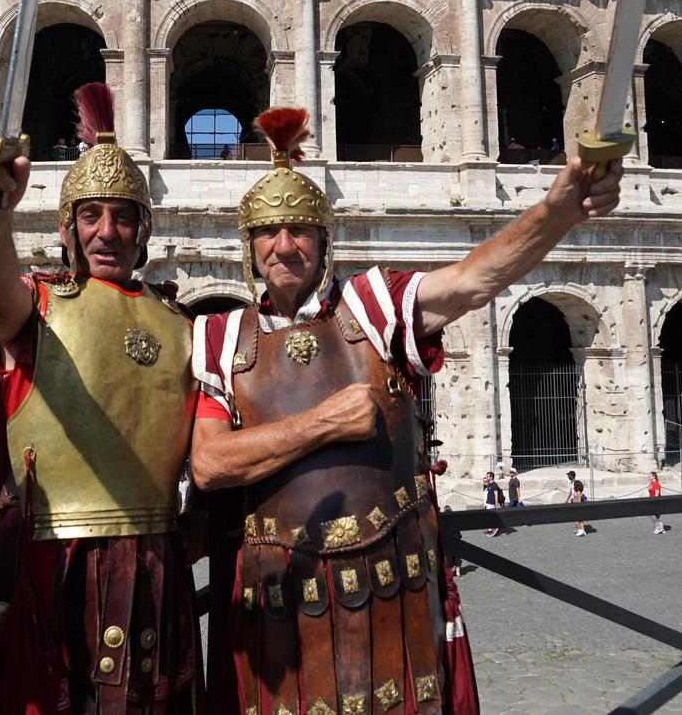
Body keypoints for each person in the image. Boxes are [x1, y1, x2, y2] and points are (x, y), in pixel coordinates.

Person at [189, 106, 623, 714]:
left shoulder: (373, 302)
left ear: (323, 240)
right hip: (276, 595)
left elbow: (474, 279)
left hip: (391, 584)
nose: (283, 246)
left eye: (300, 230)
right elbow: (210, 465)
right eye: (268, 231)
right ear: (248, 245)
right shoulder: (219, 335)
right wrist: (325, 423)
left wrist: (559, 210)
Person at [0, 84, 201, 714]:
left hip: (152, 562)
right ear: (65, 229)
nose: (106, 232)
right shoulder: (39, 304)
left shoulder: (181, 322)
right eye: (90, 216)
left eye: (123, 216)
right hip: (51, 561)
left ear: (146, 230)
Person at [483, 472, 504, 537]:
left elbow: (496, 494)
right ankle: (490, 529)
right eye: (486, 476)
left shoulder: (494, 484)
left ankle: (494, 529)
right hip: (488, 503)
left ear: (491, 477)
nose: (486, 477)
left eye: (487, 476)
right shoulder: (489, 484)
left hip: (492, 504)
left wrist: (496, 503)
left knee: (489, 518)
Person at [648, 470, 665, 534]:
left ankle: (658, 527)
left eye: (650, 476)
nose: (649, 477)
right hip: (651, 500)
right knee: (657, 515)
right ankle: (662, 529)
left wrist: (654, 502)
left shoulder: (656, 484)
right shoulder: (651, 483)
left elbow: (656, 494)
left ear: (654, 476)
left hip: (655, 501)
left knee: (652, 514)